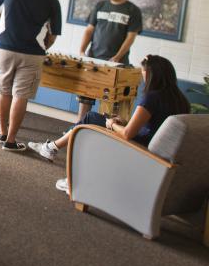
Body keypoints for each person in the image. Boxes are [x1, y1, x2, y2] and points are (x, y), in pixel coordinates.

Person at [29, 55, 190, 186]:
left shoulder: (152, 97)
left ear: (151, 75)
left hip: (140, 146)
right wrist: (125, 123)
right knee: (91, 118)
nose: (142, 77)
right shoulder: (181, 100)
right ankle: (52, 148)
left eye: (143, 72)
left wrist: (112, 124)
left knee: (90, 119)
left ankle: (69, 171)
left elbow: (127, 134)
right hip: (154, 146)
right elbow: (153, 126)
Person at [0, 0, 62, 152]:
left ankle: (2, 133)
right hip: (32, 53)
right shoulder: (52, 0)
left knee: (3, 91)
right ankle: (11, 141)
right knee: (20, 95)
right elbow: (53, 35)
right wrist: (44, 46)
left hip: (4, 48)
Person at [74, 0, 143, 122]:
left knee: (110, 100)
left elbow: (131, 37)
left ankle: (102, 133)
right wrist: (81, 51)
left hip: (116, 62)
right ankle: (77, 127)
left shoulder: (133, 10)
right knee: (85, 97)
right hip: (93, 59)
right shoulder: (100, 5)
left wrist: (117, 57)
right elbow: (89, 30)